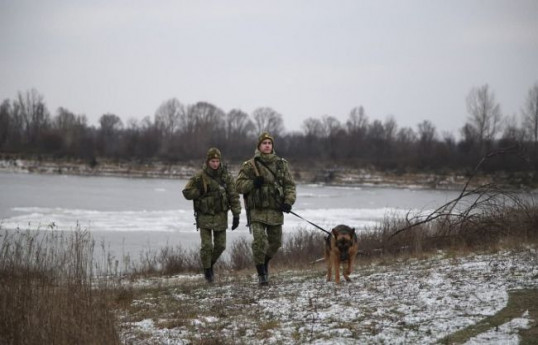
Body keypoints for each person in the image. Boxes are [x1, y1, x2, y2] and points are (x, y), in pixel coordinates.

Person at [236, 132, 296, 285]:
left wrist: (288, 202)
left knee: (275, 243)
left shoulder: (281, 164)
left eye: (270, 143)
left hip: (275, 210)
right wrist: (252, 183)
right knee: (259, 242)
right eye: (264, 143)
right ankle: (261, 274)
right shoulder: (250, 165)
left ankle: (264, 262)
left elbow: (289, 185)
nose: (267, 145)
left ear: (272, 146)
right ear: (259, 146)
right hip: (257, 211)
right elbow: (238, 186)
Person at [182, 147, 241, 283]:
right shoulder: (199, 177)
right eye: (212, 161)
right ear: (208, 161)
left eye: (217, 161)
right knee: (207, 246)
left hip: (221, 215)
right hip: (205, 216)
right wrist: (200, 190)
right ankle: (208, 272)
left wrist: (236, 215)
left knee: (221, 246)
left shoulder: (226, 176)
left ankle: (208, 265)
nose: (215, 163)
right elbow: (186, 192)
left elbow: (233, 195)